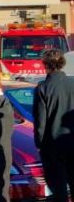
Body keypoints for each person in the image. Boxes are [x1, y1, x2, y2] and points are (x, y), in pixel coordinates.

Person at [33, 49, 74, 202]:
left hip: (53, 145)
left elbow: (40, 122)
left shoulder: (42, 88)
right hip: (72, 141)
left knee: (58, 188)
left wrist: (39, 143)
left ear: (45, 65)